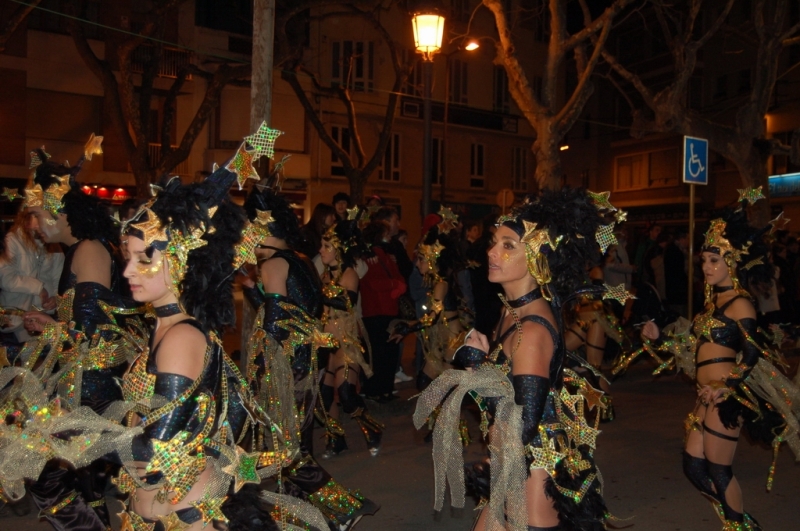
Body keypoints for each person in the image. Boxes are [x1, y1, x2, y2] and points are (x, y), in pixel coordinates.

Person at [415, 188, 614, 531]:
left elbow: (524, 422)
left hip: (533, 470)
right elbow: (507, 392)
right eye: (495, 242)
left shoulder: (531, 331)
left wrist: (477, 366)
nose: (492, 252)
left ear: (536, 257)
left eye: (508, 246)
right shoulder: (511, 313)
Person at [642, 193, 800, 531]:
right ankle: (740, 521)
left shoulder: (740, 304)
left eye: (714, 260)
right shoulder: (713, 304)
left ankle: (737, 525)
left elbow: (752, 353)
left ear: (733, 262)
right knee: (693, 466)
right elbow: (692, 346)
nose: (706, 267)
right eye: (704, 260)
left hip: (726, 396)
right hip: (705, 395)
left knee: (718, 468)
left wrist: (726, 385)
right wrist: (660, 338)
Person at [242, 178, 378, 529]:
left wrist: (258, 372)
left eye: (248, 230)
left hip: (288, 370)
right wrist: (251, 288)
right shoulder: (301, 260)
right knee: (296, 446)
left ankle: (343, 507)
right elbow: (295, 311)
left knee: (284, 451)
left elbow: (275, 324)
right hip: (308, 363)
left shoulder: (273, 265)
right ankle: (302, 516)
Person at [19, 143, 141, 530]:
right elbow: (88, 311)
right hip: (82, 380)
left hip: (93, 387)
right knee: (81, 478)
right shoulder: (79, 250)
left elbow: (94, 329)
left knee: (44, 474)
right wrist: (56, 311)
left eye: (36, 214)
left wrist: (52, 325)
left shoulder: (89, 249)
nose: (34, 225)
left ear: (58, 208)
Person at [318, 213, 383, 458]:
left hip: (346, 344)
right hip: (325, 344)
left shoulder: (349, 274)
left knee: (346, 394)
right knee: (325, 398)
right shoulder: (325, 276)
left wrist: (318, 295)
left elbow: (347, 302)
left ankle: (372, 429)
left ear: (338, 250)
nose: (321, 250)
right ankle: (336, 440)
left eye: (326, 246)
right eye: (322, 245)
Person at [390, 208, 468, 391]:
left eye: (421, 259)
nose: (417, 263)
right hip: (442, 341)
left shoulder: (441, 283)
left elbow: (432, 317)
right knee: (425, 383)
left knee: (443, 391)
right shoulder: (437, 281)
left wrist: (408, 327)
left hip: (450, 342)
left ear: (433, 260)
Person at [0, 208, 63, 346]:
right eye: (37, 217)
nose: (42, 222)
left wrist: (55, 298)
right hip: (16, 317)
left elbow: (58, 277)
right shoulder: (12, 240)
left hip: (44, 316)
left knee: (42, 355)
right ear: (27, 217)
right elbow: (5, 278)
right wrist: (38, 288)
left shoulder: (54, 244)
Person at [360, 219, 407, 402]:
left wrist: (397, 284)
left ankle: (384, 389)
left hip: (385, 310)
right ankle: (377, 390)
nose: (389, 237)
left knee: (387, 353)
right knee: (380, 354)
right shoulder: (370, 256)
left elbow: (398, 276)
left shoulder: (385, 255)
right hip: (376, 311)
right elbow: (373, 283)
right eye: (386, 234)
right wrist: (394, 284)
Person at [664, 228, 689, 317]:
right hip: (677, 290)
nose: (689, 242)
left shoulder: (677, 250)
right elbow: (678, 272)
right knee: (679, 314)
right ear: (681, 239)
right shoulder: (675, 251)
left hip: (676, 290)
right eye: (687, 239)